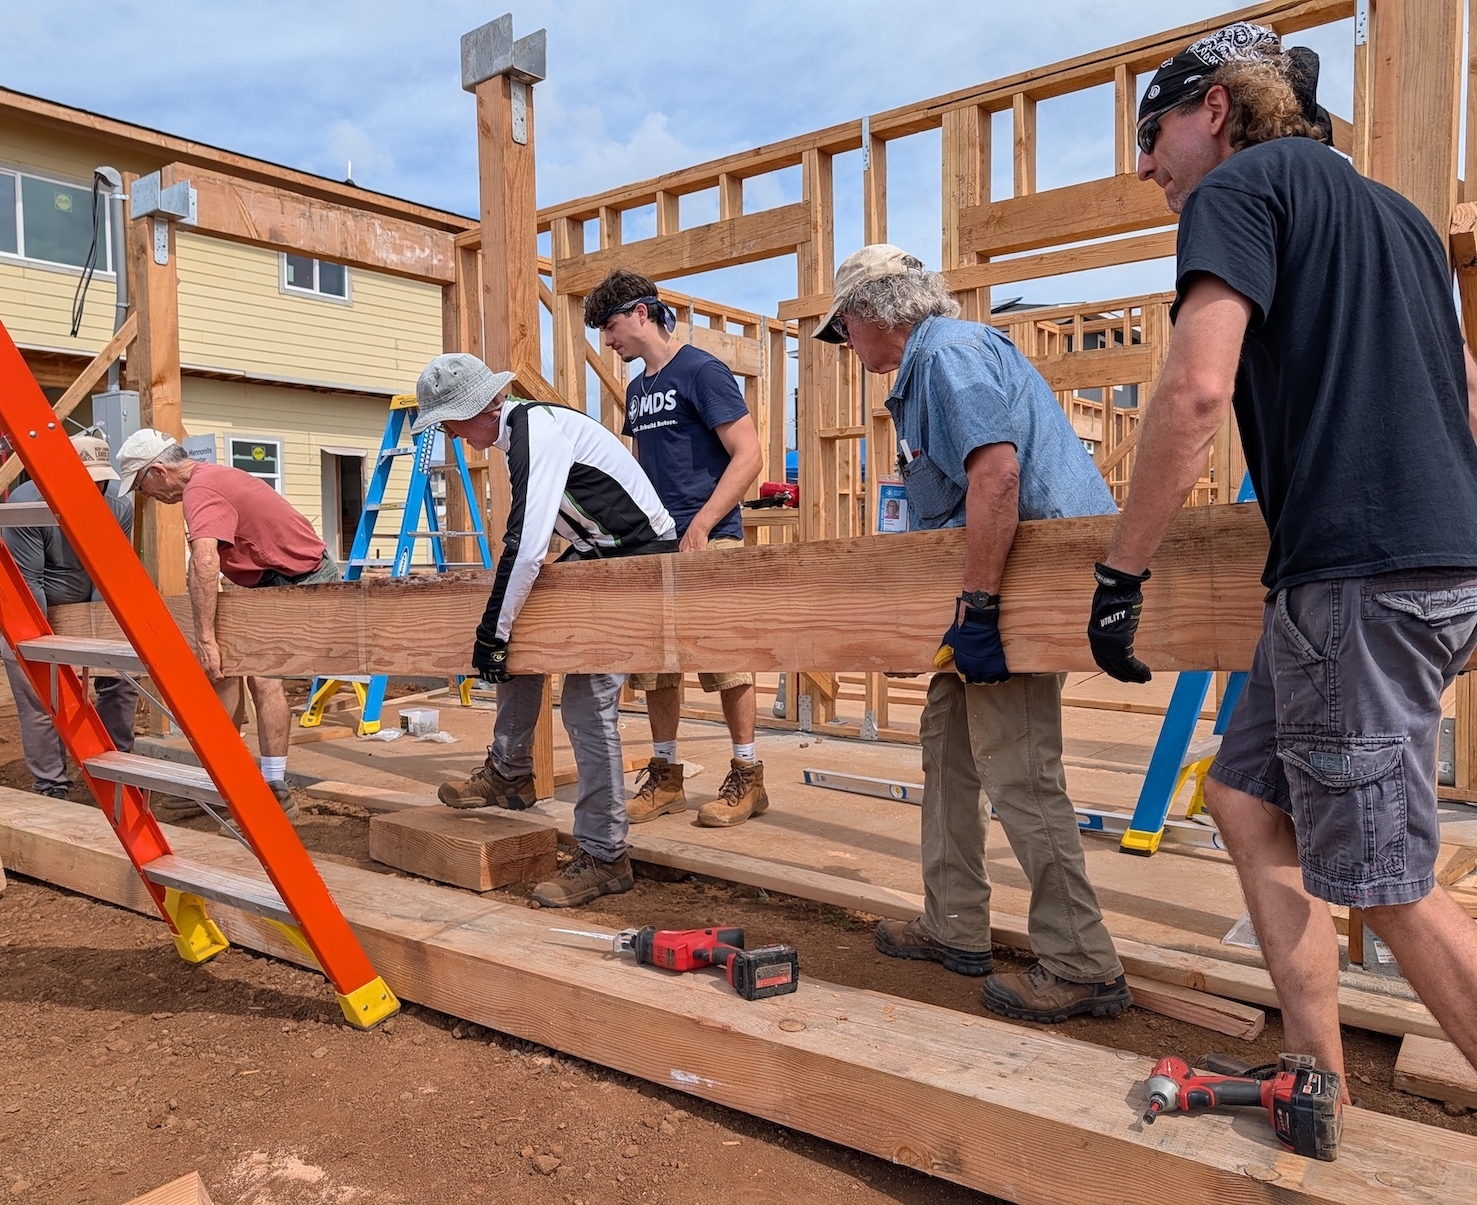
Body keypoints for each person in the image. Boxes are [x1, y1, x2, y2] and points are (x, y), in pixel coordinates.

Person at [1091, 21, 1477, 1086]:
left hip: (1353, 579)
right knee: (1246, 797)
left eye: (1151, 132)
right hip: (1423, 571)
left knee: (1387, 877)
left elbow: (1195, 388)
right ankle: (1312, 1070)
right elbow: (1468, 392)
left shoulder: (1237, 191)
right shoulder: (1397, 219)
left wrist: (1121, 571)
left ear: (1213, 111)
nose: (1143, 165)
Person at [816, 243, 1132, 1023]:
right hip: (990, 586)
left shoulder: (950, 357)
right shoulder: (930, 368)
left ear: (871, 315)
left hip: (1026, 581)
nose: (847, 346)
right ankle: (954, 923)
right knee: (948, 742)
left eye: (845, 329)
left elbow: (997, 477)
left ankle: (1082, 960)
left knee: (1019, 766)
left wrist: (983, 609)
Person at [424, 353, 678, 906]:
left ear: (478, 408)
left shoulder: (534, 429)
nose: (445, 431)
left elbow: (528, 544)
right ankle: (510, 773)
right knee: (520, 647)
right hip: (597, 554)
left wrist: (491, 632)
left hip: (639, 561)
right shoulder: (518, 434)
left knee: (587, 704)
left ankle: (607, 856)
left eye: (448, 419)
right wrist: (502, 634)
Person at [583, 270, 768, 827]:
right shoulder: (638, 390)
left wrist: (704, 526)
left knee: (726, 662)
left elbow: (750, 454)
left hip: (709, 541)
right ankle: (666, 776)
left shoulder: (702, 371)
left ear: (642, 314)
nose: (608, 341)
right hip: (654, 543)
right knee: (656, 669)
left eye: (611, 327)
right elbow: (639, 470)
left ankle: (747, 774)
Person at [116, 427, 341, 821]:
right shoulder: (208, 480)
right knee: (222, 673)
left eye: (141, 485)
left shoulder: (201, 491)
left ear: (158, 471)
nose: (145, 495)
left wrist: (206, 638)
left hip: (299, 581)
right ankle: (223, 780)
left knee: (263, 677)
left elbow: (205, 562)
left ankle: (274, 789)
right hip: (267, 579)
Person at [1, 432, 138, 798]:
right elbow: (30, 584)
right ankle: (51, 785)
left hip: (91, 604)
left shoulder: (118, 506)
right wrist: (49, 650)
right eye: (88, 481)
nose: (97, 489)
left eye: (102, 481)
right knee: (42, 695)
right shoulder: (26, 505)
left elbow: (108, 572)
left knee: (120, 680)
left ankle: (118, 771)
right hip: (33, 610)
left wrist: (96, 635)